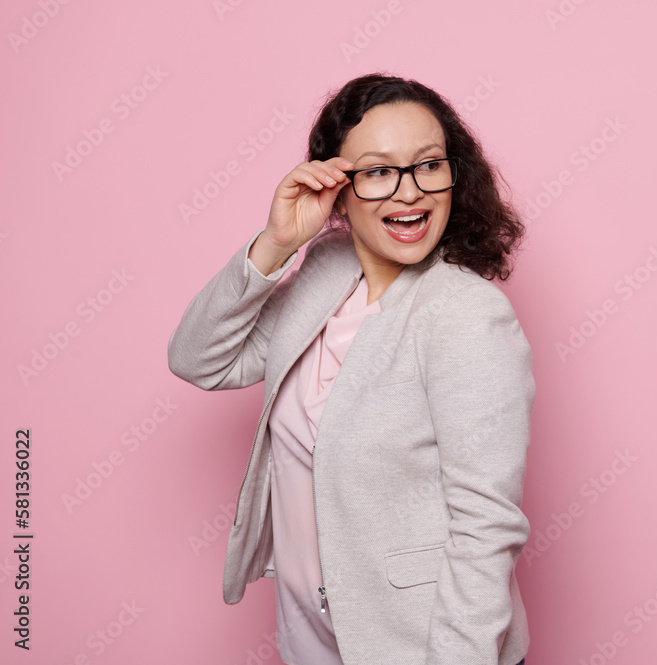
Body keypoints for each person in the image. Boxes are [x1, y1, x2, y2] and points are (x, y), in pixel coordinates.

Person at [167, 73, 533, 665]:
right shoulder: (327, 269)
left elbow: (486, 527)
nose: (409, 192)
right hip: (311, 632)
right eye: (378, 171)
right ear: (336, 185)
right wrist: (276, 244)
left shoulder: (466, 315)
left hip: (419, 645)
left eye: (428, 164)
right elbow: (199, 359)